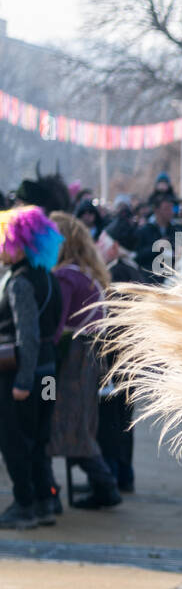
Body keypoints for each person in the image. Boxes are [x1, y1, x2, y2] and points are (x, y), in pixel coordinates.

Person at [46, 213, 122, 510]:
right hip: (91, 358)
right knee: (81, 423)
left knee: (66, 423)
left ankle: (103, 486)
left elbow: (57, 323)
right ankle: (102, 484)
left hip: (73, 361)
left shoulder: (66, 276)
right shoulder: (89, 275)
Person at [0, 206, 64, 529]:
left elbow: (27, 333)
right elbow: (54, 328)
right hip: (48, 372)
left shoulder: (19, 283)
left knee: (15, 440)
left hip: (22, 373)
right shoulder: (49, 278)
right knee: (39, 439)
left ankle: (24, 503)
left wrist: (22, 381)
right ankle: (43, 501)